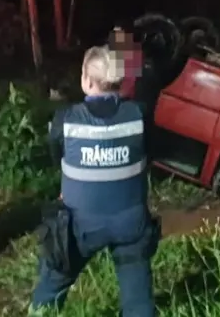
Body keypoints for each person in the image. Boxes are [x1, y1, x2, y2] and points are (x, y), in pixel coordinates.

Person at [30, 45, 159, 317]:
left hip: (79, 226)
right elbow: (149, 153)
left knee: (52, 282)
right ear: (122, 82)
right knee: (138, 300)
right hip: (131, 223)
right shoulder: (140, 115)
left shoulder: (64, 120)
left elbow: (59, 160)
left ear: (86, 81)